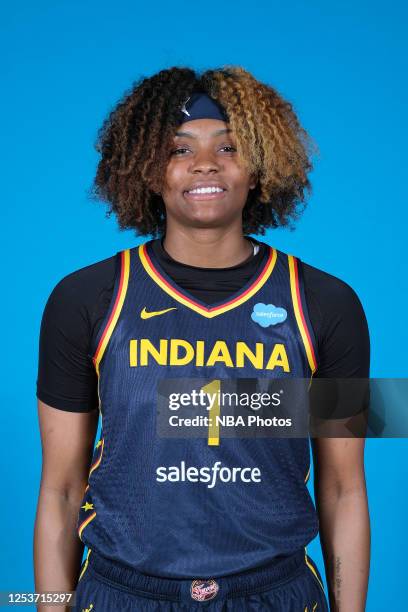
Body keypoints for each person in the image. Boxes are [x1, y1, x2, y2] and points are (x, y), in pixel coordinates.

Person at [34, 66, 370, 611]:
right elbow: (61, 490)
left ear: (260, 169)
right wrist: (48, 606)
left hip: (274, 594)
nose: (205, 164)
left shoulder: (327, 304)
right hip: (124, 594)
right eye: (178, 149)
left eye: (230, 147)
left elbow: (343, 489)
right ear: (147, 171)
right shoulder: (85, 299)